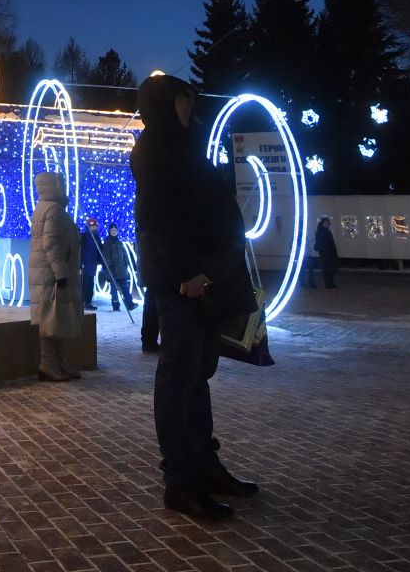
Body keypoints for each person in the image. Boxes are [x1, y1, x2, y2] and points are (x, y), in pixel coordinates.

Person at [132, 73, 259, 521]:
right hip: (181, 281)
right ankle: (180, 480)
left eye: (190, 99)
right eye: (182, 100)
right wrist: (188, 272)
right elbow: (159, 219)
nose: (190, 107)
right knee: (179, 375)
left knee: (197, 373)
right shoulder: (155, 150)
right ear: (165, 104)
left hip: (205, 274)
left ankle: (205, 465)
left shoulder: (185, 145)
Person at [29, 170, 83, 380]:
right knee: (51, 319)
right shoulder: (53, 209)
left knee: (55, 319)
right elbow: (50, 243)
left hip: (46, 272)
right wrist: (60, 272)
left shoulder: (45, 207)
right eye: (60, 183)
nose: (64, 186)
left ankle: (57, 362)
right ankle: (49, 363)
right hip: (52, 275)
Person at [100, 222, 137, 314]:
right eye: (112, 230)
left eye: (115, 230)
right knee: (114, 289)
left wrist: (126, 265)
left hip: (122, 271)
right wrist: (110, 269)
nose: (114, 232)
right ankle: (115, 306)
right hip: (113, 271)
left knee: (125, 288)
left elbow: (124, 255)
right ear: (109, 231)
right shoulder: (107, 242)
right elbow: (106, 257)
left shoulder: (119, 242)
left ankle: (130, 304)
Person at [80, 216, 105, 313]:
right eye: (92, 226)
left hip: (93, 264)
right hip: (85, 264)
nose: (94, 228)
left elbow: (99, 250)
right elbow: (81, 251)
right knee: (84, 284)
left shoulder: (97, 237)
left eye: (95, 226)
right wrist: (80, 262)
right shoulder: (84, 237)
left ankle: (88, 302)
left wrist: (100, 260)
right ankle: (81, 303)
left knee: (90, 284)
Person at [314, 216, 339, 289]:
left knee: (330, 268)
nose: (328, 224)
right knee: (327, 268)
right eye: (327, 223)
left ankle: (329, 282)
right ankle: (328, 283)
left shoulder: (326, 231)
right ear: (323, 223)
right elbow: (322, 243)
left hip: (328, 253)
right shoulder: (321, 232)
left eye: (328, 223)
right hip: (325, 253)